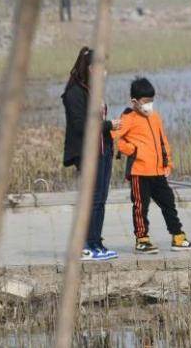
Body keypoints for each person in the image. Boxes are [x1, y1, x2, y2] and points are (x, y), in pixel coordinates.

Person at [113, 77, 191, 254]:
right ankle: (142, 240)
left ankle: (178, 236)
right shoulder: (128, 117)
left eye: (151, 101)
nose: (149, 105)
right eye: (145, 102)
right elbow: (116, 138)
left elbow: (163, 141)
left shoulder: (155, 117)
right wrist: (133, 150)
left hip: (158, 172)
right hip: (139, 172)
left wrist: (168, 163)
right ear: (134, 101)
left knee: (169, 202)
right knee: (140, 206)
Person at [62, 47, 120, 261]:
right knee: (90, 199)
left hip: (103, 150)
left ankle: (96, 242)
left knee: (100, 199)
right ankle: (84, 244)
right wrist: (107, 125)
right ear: (90, 68)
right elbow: (80, 125)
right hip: (87, 153)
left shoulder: (93, 90)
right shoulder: (74, 93)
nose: (104, 71)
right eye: (100, 66)